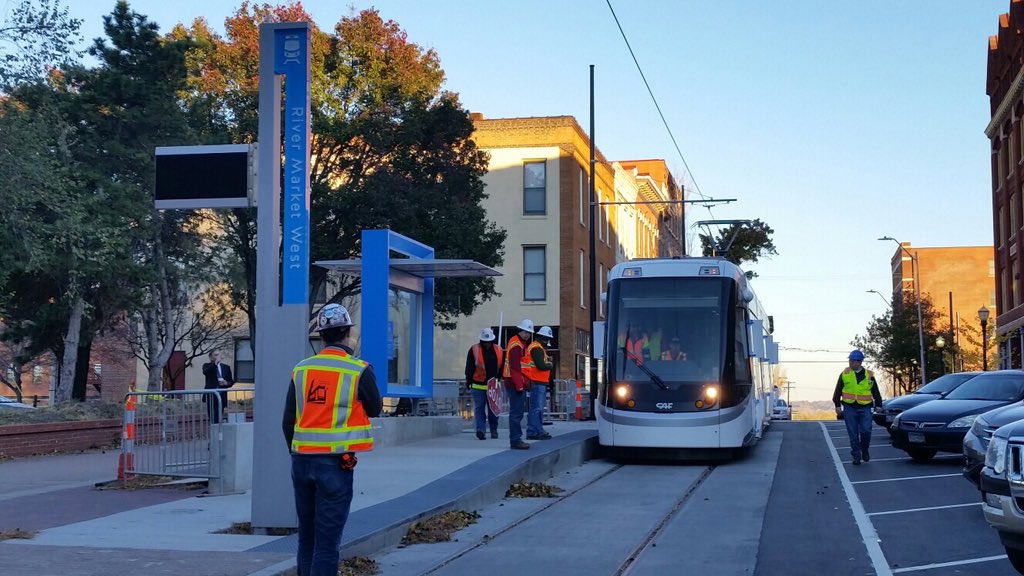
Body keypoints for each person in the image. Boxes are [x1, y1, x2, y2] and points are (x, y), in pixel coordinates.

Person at [282, 303, 382, 576]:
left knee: (307, 537)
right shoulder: (358, 369)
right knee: (327, 543)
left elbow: (288, 420)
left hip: (301, 463)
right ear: (348, 333)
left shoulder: (301, 370)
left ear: (322, 336)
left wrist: (297, 453)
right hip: (336, 465)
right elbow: (375, 408)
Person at [832, 349, 883, 466]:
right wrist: (837, 405)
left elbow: (875, 391)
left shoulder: (869, 375)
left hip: (865, 408)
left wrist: (879, 405)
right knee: (853, 433)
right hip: (849, 407)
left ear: (859, 362)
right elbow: (838, 390)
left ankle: (864, 449)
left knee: (866, 431)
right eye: (850, 361)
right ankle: (856, 455)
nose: (850, 363)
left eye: (853, 361)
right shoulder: (845, 374)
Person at [465, 327, 503, 440]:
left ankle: (494, 430)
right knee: (479, 408)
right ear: (481, 341)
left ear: (492, 341)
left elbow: (502, 367)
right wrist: (468, 381)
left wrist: (499, 379)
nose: (487, 344)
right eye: (485, 342)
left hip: (493, 385)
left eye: (489, 342)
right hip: (478, 385)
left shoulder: (499, 350)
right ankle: (480, 430)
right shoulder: (474, 349)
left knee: (493, 410)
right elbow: (469, 367)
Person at [503, 319, 534, 450]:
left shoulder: (519, 343)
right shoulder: (516, 345)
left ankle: (516, 439)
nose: (527, 334)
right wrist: (520, 385)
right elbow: (515, 368)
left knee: (517, 412)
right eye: (525, 331)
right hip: (514, 382)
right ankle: (515, 440)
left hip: (515, 382)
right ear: (520, 331)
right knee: (516, 413)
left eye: (529, 332)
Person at [525, 325, 555, 440]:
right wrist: (550, 365)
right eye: (547, 338)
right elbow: (541, 365)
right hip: (537, 381)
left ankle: (537, 430)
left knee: (538, 408)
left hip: (539, 382)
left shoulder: (538, 347)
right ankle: (534, 431)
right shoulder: (537, 348)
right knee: (537, 408)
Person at [202, 350, 234, 424]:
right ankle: (214, 430)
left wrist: (226, 383)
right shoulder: (207, 365)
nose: (217, 357)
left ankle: (219, 431)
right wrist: (215, 364)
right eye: (215, 355)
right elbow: (206, 372)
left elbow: (231, 381)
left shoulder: (226, 367)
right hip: (211, 395)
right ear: (211, 357)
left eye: (219, 355)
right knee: (212, 416)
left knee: (219, 414)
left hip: (221, 394)